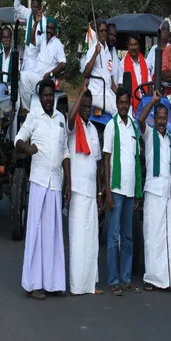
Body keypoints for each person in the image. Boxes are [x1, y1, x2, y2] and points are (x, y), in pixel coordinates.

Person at [15, 78, 70, 300]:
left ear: (54, 96)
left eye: (51, 95)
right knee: (36, 232)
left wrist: (69, 182)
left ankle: (54, 283)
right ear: (40, 98)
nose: (48, 99)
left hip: (56, 183)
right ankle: (33, 284)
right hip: (38, 181)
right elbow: (18, 139)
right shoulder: (33, 118)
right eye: (45, 95)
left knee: (54, 233)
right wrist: (28, 150)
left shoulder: (60, 120)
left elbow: (65, 151)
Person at [138, 91, 171, 292]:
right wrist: (154, 101)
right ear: (155, 120)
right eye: (159, 118)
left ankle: (169, 278)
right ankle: (152, 278)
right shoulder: (149, 134)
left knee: (169, 238)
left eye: (164, 118)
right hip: (153, 193)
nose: (162, 121)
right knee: (152, 236)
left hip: (166, 196)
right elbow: (140, 119)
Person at [103, 87, 143, 296]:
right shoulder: (112, 126)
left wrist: (137, 192)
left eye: (127, 102)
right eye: (121, 103)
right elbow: (107, 159)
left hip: (130, 190)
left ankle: (126, 279)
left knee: (128, 237)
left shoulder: (134, 128)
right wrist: (107, 191)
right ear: (117, 104)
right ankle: (113, 280)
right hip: (116, 189)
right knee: (113, 237)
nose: (124, 106)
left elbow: (136, 160)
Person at [66, 81, 103, 296]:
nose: (87, 111)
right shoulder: (74, 127)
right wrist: (81, 92)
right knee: (78, 239)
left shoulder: (92, 130)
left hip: (91, 192)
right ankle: (76, 285)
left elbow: (97, 164)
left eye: (90, 107)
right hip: (78, 191)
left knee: (91, 241)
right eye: (84, 107)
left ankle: (89, 285)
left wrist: (99, 193)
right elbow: (71, 117)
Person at [19, 15, 66, 111]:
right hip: (37, 77)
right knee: (19, 79)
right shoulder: (43, 38)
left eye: (51, 28)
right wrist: (36, 23)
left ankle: (28, 110)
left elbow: (63, 64)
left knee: (23, 76)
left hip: (45, 81)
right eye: (48, 28)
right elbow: (32, 40)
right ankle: (29, 108)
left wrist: (50, 74)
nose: (49, 30)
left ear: (55, 30)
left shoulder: (57, 44)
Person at [83, 20, 119, 116]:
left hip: (107, 93)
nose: (103, 33)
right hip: (97, 93)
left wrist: (120, 94)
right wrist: (95, 54)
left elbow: (110, 80)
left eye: (105, 31)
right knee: (118, 110)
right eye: (101, 30)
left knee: (125, 106)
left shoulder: (107, 51)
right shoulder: (93, 49)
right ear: (97, 32)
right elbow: (86, 73)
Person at [14, 0, 46, 72]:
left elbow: (39, 44)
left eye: (36, 7)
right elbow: (16, 6)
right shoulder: (29, 14)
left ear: (40, 7)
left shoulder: (44, 23)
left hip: (36, 61)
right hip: (26, 57)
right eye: (33, 6)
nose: (34, 9)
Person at [120, 33, 150, 114]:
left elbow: (149, 85)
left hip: (145, 103)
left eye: (135, 44)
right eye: (131, 45)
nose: (133, 47)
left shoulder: (146, 63)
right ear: (128, 46)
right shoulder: (122, 64)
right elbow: (121, 86)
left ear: (139, 46)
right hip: (129, 105)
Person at [0, 26, 14, 91]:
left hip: (11, 91)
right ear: (1, 40)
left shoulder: (15, 55)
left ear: (11, 39)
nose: (6, 40)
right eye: (4, 37)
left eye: (8, 37)